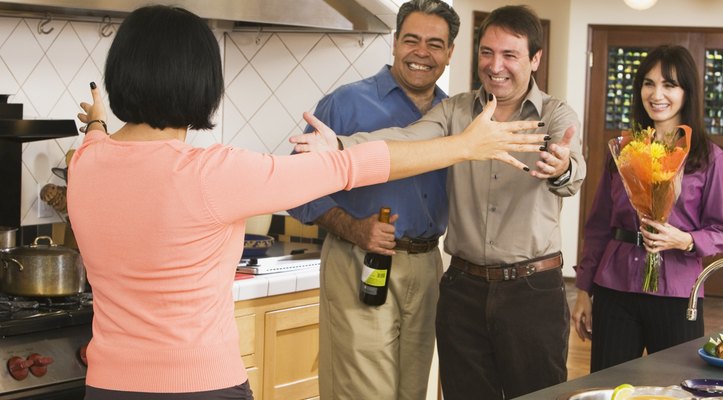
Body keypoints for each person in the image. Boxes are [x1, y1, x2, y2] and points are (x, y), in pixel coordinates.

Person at [65, 5, 548, 400]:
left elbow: (97, 140)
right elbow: (348, 167)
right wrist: (465, 145)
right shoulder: (212, 172)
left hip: (108, 386)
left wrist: (96, 122)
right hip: (200, 385)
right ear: (199, 85)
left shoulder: (86, 164)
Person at [290, 5, 585, 399]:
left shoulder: (555, 114)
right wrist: (340, 144)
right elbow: (406, 139)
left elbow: (573, 170)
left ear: (534, 59)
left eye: (510, 55)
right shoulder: (454, 110)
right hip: (461, 287)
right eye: (487, 52)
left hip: (529, 289)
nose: (495, 65)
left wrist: (562, 168)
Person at [286, 1, 458, 398]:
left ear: (449, 53)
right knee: (362, 393)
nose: (422, 52)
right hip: (357, 262)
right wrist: (353, 227)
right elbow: (296, 188)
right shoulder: (345, 104)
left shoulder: (453, 115)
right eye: (411, 40)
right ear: (395, 43)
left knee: (412, 392)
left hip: (428, 266)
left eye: (435, 44)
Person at [572, 45, 723, 372]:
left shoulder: (712, 159)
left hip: (677, 295)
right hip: (614, 288)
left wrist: (683, 239)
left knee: (675, 388)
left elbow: (722, 233)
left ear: (687, 92)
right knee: (607, 387)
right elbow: (598, 227)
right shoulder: (624, 152)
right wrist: (583, 291)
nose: (656, 93)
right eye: (648, 83)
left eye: (669, 85)